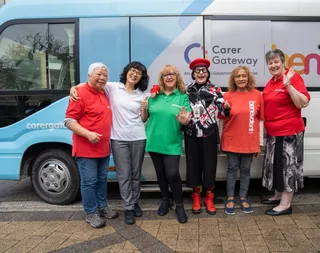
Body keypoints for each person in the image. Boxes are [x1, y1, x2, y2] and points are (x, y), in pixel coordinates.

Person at [70, 61, 149, 225]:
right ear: (127, 72)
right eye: (132, 70)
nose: (134, 74)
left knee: (134, 174)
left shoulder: (143, 94)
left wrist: (145, 109)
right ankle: (126, 207)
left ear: (142, 77)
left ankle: (134, 203)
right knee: (123, 175)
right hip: (118, 139)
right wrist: (73, 88)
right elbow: (91, 83)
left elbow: (143, 119)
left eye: (138, 73)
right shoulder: (112, 87)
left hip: (137, 137)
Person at [64, 62, 118, 228]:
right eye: (98, 75)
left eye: (105, 76)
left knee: (102, 180)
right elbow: (69, 121)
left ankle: (102, 207)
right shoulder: (79, 94)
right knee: (89, 182)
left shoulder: (103, 93)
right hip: (86, 149)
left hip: (102, 149)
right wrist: (87, 134)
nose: (102, 78)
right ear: (89, 76)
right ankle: (90, 213)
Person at [261, 49, 310, 216]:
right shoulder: (272, 81)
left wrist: (288, 85)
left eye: (276, 62)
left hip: (288, 132)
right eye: (270, 63)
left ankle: (285, 205)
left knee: (287, 167)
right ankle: (277, 195)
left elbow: (303, 103)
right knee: (276, 166)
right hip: (273, 133)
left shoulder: (292, 77)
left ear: (283, 62)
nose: (273, 65)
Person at [141, 65, 192, 223]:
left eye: (172, 74)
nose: (169, 77)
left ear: (177, 77)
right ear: (161, 79)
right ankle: (165, 199)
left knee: (172, 174)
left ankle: (179, 205)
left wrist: (185, 121)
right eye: (165, 75)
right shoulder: (154, 96)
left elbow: (187, 117)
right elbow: (144, 118)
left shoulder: (182, 96)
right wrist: (143, 109)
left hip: (172, 142)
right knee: (160, 174)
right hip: (154, 141)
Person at [184, 58, 230, 215]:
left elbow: (223, 113)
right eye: (198, 71)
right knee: (193, 166)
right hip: (191, 134)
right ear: (193, 74)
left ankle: (209, 197)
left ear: (208, 73)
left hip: (209, 134)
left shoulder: (215, 91)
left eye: (203, 71)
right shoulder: (187, 90)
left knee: (210, 167)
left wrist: (227, 108)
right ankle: (196, 196)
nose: (201, 73)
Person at [219, 65, 264, 215]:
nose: (241, 79)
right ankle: (230, 197)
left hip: (250, 140)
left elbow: (260, 120)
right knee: (232, 168)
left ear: (248, 77)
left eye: (244, 76)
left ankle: (243, 197)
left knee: (245, 170)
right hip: (231, 139)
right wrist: (220, 142)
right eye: (238, 76)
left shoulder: (258, 95)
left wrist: (260, 143)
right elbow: (221, 120)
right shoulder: (227, 96)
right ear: (234, 79)